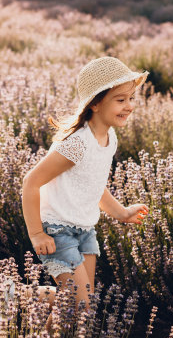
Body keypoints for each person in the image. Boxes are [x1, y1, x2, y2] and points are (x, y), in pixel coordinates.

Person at [21, 56, 151, 312]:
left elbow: (92, 183)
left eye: (131, 98)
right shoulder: (77, 144)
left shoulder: (109, 137)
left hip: (85, 230)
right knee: (78, 306)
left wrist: (121, 213)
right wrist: (37, 233)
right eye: (120, 99)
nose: (130, 106)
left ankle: (9, 294)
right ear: (95, 103)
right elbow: (30, 183)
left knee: (81, 305)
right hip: (57, 231)